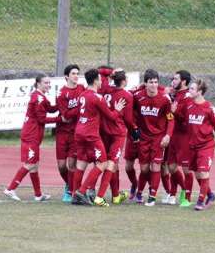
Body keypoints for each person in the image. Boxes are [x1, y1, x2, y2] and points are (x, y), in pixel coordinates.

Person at [71, 68, 127, 207]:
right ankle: (82, 191)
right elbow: (111, 116)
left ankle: (74, 194)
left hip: (79, 131)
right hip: (91, 134)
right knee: (102, 163)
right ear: (96, 80)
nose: (102, 81)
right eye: (100, 79)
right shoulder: (98, 97)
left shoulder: (83, 95)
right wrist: (118, 109)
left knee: (81, 162)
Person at [4, 75, 63, 202]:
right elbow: (42, 119)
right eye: (46, 83)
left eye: (49, 83)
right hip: (31, 135)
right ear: (38, 84)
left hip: (33, 135)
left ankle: (38, 195)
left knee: (34, 165)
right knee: (30, 163)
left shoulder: (41, 97)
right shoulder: (38, 98)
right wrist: (60, 119)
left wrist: (60, 101)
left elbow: (51, 109)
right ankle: (10, 188)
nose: (48, 85)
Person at [176, 79, 215, 211]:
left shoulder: (210, 109)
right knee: (198, 175)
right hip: (192, 146)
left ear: (200, 92)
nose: (189, 91)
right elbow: (180, 117)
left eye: (192, 89)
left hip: (206, 146)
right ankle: (210, 195)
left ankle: (200, 201)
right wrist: (174, 111)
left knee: (203, 172)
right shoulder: (188, 105)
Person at [133, 69, 174, 206]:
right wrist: (135, 129)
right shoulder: (138, 97)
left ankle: (152, 197)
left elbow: (170, 119)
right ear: (146, 83)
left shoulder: (164, 99)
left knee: (156, 166)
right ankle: (139, 192)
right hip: (143, 138)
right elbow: (132, 114)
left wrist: (168, 135)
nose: (154, 85)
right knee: (144, 168)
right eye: (151, 82)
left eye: (156, 82)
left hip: (158, 138)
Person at [99, 69, 139, 204]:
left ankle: (116, 195)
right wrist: (134, 130)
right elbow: (128, 119)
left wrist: (110, 72)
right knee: (111, 163)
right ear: (123, 81)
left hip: (104, 130)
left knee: (111, 163)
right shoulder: (127, 95)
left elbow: (100, 72)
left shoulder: (106, 89)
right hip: (117, 132)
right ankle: (100, 195)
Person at [55, 64, 85, 202]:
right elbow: (66, 116)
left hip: (76, 132)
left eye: (77, 73)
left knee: (72, 165)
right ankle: (68, 184)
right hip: (62, 133)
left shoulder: (82, 89)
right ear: (67, 76)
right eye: (73, 73)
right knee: (62, 166)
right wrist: (79, 107)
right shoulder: (61, 94)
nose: (76, 76)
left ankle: (72, 191)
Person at [163, 70, 191, 206]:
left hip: (184, 136)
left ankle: (185, 194)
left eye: (175, 79)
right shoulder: (175, 94)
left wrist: (176, 112)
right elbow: (170, 115)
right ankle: (176, 192)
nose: (172, 81)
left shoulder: (188, 96)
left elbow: (186, 118)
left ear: (183, 81)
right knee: (171, 167)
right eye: (172, 79)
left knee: (186, 168)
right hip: (173, 134)